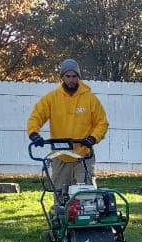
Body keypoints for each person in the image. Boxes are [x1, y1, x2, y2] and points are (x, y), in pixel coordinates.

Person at [26, 59, 108, 204]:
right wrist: (34, 133)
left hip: (82, 154)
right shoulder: (52, 98)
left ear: (79, 77)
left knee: (85, 193)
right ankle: (60, 219)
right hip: (60, 155)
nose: (71, 80)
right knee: (60, 193)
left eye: (74, 76)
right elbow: (36, 116)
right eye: (68, 76)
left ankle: (85, 222)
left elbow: (102, 122)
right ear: (62, 77)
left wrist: (93, 138)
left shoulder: (89, 98)